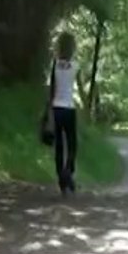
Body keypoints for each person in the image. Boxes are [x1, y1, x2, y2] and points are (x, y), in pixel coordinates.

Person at [48, 31, 78, 196]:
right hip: (69, 108)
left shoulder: (54, 65)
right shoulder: (75, 66)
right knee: (72, 145)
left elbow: (51, 89)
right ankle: (68, 171)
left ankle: (62, 180)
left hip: (56, 108)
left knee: (59, 146)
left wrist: (47, 110)